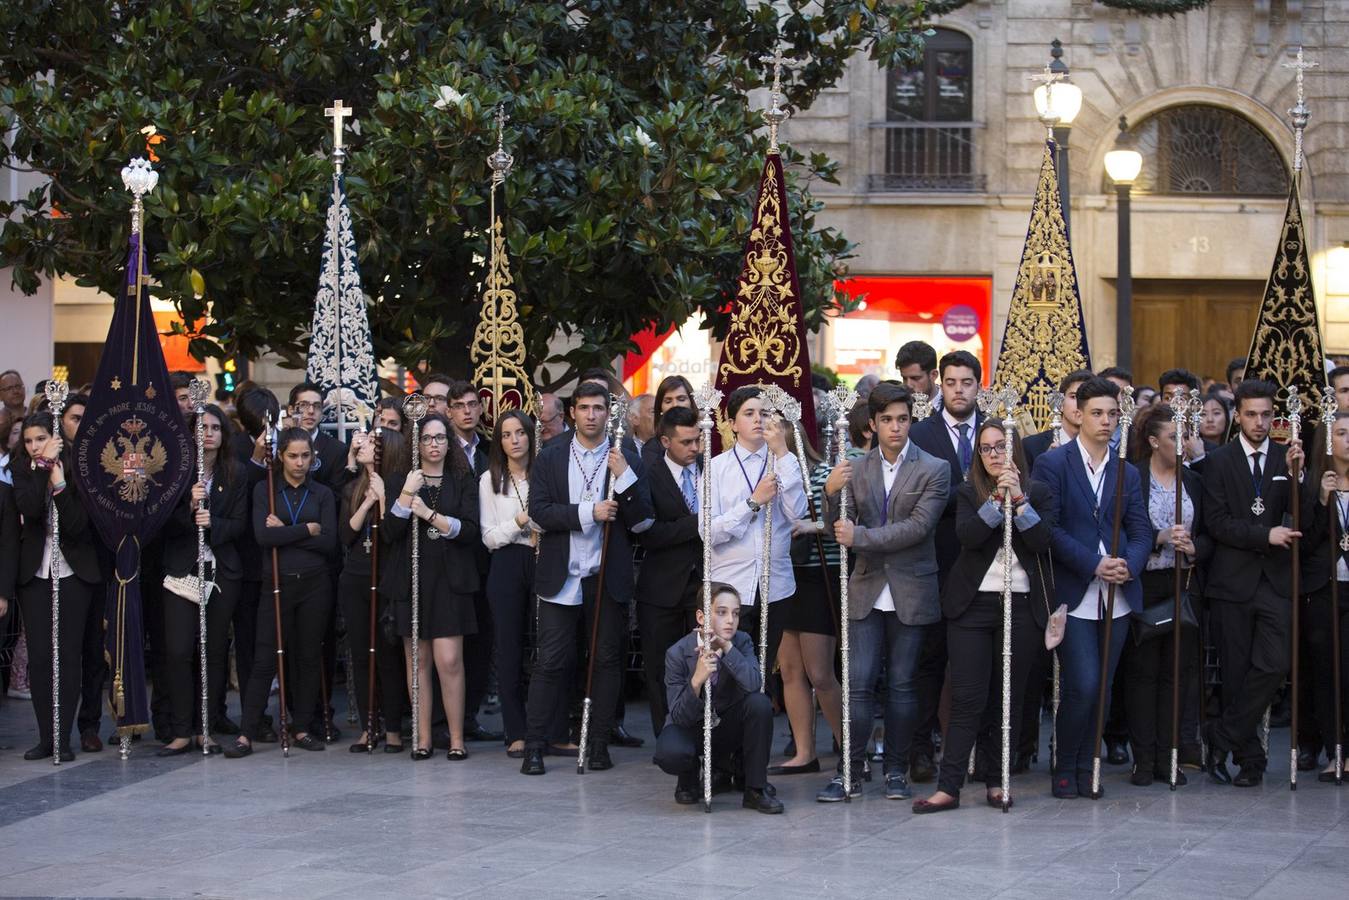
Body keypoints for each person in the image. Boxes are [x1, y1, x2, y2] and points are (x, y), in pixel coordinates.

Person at [816, 383, 949, 801]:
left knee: (904, 685)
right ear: (872, 424)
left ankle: (895, 771)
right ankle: (849, 771)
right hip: (867, 588)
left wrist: (860, 537)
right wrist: (830, 493)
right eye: (887, 420)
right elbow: (837, 529)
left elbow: (917, 529)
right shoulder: (857, 469)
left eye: (903, 419)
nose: (896, 427)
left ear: (912, 420)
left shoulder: (934, 468)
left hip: (912, 587)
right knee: (858, 684)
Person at [913, 418, 1051, 813]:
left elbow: (1042, 542)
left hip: (1021, 605)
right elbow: (969, 537)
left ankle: (997, 780)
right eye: (986, 448)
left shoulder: (1038, 492)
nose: (994, 455)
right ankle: (949, 787)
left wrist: (1020, 501)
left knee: (1007, 700)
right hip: (972, 606)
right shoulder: (968, 491)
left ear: (1016, 453)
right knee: (968, 698)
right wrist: (996, 502)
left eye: (1001, 447)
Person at [519, 382, 652, 776]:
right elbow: (539, 512)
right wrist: (587, 513)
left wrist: (624, 478)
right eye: (584, 408)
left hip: (605, 575)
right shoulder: (552, 456)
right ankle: (535, 745)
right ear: (572, 412)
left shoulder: (625, 456)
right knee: (552, 660)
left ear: (607, 413)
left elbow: (643, 520)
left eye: (598, 408)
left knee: (607, 659)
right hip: (563, 575)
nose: (591, 415)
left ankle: (597, 744)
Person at [1034, 376, 1152, 798]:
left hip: (1116, 594)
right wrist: (1094, 563)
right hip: (1074, 590)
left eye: (1113, 414)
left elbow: (1141, 530)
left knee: (1103, 685)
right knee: (1081, 682)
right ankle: (1066, 763)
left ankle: (1089, 766)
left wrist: (1129, 565)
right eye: (1097, 413)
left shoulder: (1127, 471)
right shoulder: (1053, 464)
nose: (1106, 421)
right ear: (1078, 414)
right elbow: (1049, 529)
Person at [1201, 378, 1309, 787]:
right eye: (1251, 414)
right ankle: (1251, 762)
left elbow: (1306, 524)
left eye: (1266, 415)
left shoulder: (1287, 459)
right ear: (1237, 416)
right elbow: (1216, 522)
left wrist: (1299, 481)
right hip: (1232, 582)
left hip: (1275, 582)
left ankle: (1221, 735)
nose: (1260, 422)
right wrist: (1264, 535)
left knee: (1274, 664)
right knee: (1234, 673)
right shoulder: (1218, 462)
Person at [226, 428, 338, 757]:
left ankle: (301, 726)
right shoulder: (265, 490)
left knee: (306, 656)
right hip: (277, 583)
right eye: (293, 456)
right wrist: (307, 529)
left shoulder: (322, 494)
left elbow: (329, 542)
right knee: (265, 659)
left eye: (305, 456)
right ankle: (246, 733)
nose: (299, 462)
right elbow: (262, 536)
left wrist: (286, 531)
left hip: (315, 584)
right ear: (281, 457)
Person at [1121, 404, 1209, 787]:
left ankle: (1167, 756)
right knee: (1143, 675)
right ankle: (1143, 757)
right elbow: (1120, 530)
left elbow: (1209, 532)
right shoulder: (1134, 479)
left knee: (1177, 675)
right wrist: (1157, 539)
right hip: (1146, 582)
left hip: (1183, 583)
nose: (1183, 444)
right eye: (1175, 437)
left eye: (1186, 436)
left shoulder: (1194, 482)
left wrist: (1193, 547)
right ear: (1155, 441)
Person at [906, 349, 983, 782]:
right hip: (935, 563)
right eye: (951, 382)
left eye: (966, 382)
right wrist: (969, 495)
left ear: (977, 384)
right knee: (929, 662)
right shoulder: (921, 434)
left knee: (976, 664)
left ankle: (976, 751)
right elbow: (920, 499)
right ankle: (921, 746)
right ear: (940, 382)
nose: (958, 390)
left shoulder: (996, 431)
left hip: (984, 565)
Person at [386, 412, 480, 760]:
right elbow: (390, 533)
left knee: (449, 659)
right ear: (417, 442)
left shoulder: (461, 478)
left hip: (450, 578)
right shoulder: (403, 478)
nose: (434, 444)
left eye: (440, 438)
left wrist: (427, 514)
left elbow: (470, 530)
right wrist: (406, 494)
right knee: (417, 660)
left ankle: (456, 738)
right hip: (412, 578)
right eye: (427, 438)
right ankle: (422, 737)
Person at [158, 403, 248, 755]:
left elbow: (240, 525)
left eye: (215, 427)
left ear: (223, 435)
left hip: (221, 571)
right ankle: (181, 729)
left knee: (212, 652)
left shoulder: (235, 473)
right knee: (179, 651)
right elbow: (162, 524)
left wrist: (213, 524)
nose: (208, 433)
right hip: (182, 570)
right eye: (202, 427)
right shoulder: (175, 473)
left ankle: (204, 729)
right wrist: (188, 510)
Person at [11, 412, 101, 761]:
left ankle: (64, 738)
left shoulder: (80, 467)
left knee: (67, 656)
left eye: (41, 440)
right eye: (29, 441)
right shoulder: (23, 469)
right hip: (35, 573)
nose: (34, 447)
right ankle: (46, 737)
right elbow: (30, 509)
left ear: (56, 437)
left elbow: (78, 526)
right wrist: (42, 468)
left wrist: (60, 482)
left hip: (74, 572)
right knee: (40, 657)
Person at [707, 386, 807, 693]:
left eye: (764, 413)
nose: (758, 420)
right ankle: (727, 739)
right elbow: (708, 532)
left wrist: (782, 453)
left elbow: (797, 513)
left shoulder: (784, 461)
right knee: (728, 674)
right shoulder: (716, 467)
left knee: (761, 675)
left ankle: (755, 738)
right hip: (731, 586)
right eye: (749, 413)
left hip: (775, 586)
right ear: (733, 423)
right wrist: (753, 503)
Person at [653, 582, 783, 814]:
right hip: (691, 728)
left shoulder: (741, 641)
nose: (731, 620)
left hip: (725, 727)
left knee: (759, 704)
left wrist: (727, 647)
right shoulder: (677, 653)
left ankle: (755, 788)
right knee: (672, 750)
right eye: (721, 612)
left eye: (735, 613)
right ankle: (688, 777)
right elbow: (679, 715)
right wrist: (697, 680)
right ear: (701, 617)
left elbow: (754, 684)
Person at [771, 423, 843, 776]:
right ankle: (804, 752)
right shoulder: (766, 474)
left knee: (820, 672)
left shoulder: (824, 474)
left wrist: (812, 526)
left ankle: (849, 748)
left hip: (819, 574)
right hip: (786, 575)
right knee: (790, 670)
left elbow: (846, 519)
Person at [339, 426, 410, 754]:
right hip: (355, 577)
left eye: (370, 442)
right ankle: (370, 726)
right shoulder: (354, 487)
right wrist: (367, 501)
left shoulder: (398, 486)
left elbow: (394, 534)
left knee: (387, 654)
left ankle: (394, 727)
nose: (363, 445)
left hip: (385, 578)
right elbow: (346, 535)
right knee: (360, 652)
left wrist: (383, 496)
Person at [635, 406, 703, 736]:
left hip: (703, 585)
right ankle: (668, 735)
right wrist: (698, 524)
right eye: (686, 442)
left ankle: (700, 734)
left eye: (698, 439)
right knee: (661, 667)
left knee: (701, 663)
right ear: (665, 441)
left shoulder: (712, 471)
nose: (694, 448)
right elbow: (649, 534)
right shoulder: (649, 475)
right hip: (661, 588)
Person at [442, 380, 500, 745]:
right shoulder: (441, 450)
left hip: (487, 557)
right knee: (450, 645)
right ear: (448, 412)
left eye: (472, 404)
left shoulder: (490, 451)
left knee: (481, 642)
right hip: (451, 558)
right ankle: (444, 721)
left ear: (480, 409)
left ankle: (470, 714)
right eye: (459, 405)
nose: (467, 410)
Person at [479, 410, 539, 758]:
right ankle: (514, 730)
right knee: (509, 647)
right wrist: (519, 522)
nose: (514, 440)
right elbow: (488, 537)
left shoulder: (543, 473)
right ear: (499, 442)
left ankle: (547, 726)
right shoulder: (490, 479)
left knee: (548, 645)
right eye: (506, 434)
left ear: (530, 435)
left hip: (542, 558)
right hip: (505, 563)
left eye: (519, 432)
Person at [1307, 411, 1349, 782]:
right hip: (1325, 589)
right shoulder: (1316, 483)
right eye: (1342, 433)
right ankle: (1334, 751)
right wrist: (1322, 499)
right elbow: (1307, 539)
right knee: (1328, 673)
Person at [1023, 369, 1094, 474]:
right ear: (1060, 403)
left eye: (1087, 397)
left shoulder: (1101, 449)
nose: (1080, 403)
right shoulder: (1031, 446)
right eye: (1074, 397)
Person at [648, 375, 695, 472]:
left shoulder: (706, 441)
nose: (675, 405)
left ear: (691, 403)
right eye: (668, 401)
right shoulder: (651, 449)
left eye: (681, 399)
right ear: (660, 408)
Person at [894, 341, 940, 412]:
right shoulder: (898, 405)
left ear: (933, 375)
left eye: (915, 378)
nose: (908, 385)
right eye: (904, 378)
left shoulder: (951, 406)